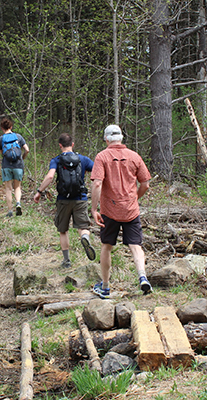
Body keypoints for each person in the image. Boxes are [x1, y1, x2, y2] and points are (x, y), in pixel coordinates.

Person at [90, 124, 152, 298]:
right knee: (135, 245)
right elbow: (145, 184)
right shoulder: (134, 156)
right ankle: (142, 277)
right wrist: (134, 199)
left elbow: (96, 183)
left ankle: (105, 287)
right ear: (121, 138)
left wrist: (94, 209)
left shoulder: (102, 157)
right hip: (131, 209)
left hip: (109, 210)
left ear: (106, 139)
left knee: (107, 246)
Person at [33, 133, 96, 268]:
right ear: (72, 144)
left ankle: (67, 261)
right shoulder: (83, 159)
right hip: (80, 198)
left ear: (60, 145)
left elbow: (50, 177)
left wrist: (39, 192)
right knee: (83, 226)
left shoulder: (56, 160)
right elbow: (97, 171)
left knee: (63, 230)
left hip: (63, 200)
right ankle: (84, 237)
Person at [0, 118, 29, 217]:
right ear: (11, 127)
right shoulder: (18, 137)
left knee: (8, 188)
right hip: (18, 165)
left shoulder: (0, 139)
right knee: (17, 187)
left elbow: (1, 153)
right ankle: (18, 203)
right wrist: (22, 157)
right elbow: (27, 150)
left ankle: (10, 211)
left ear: (2, 128)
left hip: (6, 165)